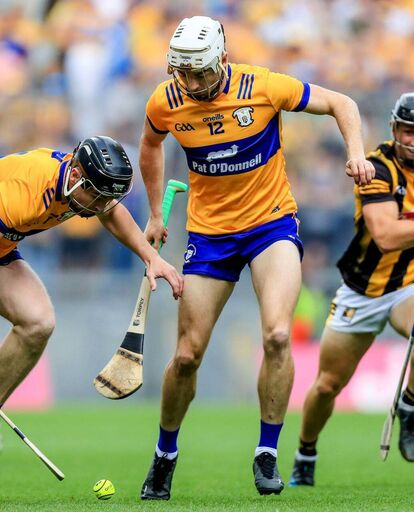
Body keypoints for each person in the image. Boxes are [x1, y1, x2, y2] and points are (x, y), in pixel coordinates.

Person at [137, 16, 375, 498]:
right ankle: (164, 456)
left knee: (278, 334)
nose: (194, 84)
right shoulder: (167, 100)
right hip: (209, 234)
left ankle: (266, 452)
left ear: (222, 59)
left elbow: (341, 102)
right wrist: (155, 211)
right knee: (186, 355)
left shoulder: (263, 86)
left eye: (201, 73)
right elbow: (150, 145)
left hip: (270, 225)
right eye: (185, 74)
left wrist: (356, 152)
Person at [0, 136, 183, 502]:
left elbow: (111, 211)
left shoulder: (85, 189)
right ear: (77, 174)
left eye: (105, 195)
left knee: (39, 322)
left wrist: (150, 257)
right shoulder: (28, 188)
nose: (99, 204)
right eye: (96, 194)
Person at [289, 92, 414, 487]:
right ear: (394, 129)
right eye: (409, 131)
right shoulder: (375, 166)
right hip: (363, 289)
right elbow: (387, 236)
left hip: (413, 282)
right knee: (327, 385)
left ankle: (407, 406)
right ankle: (306, 449)